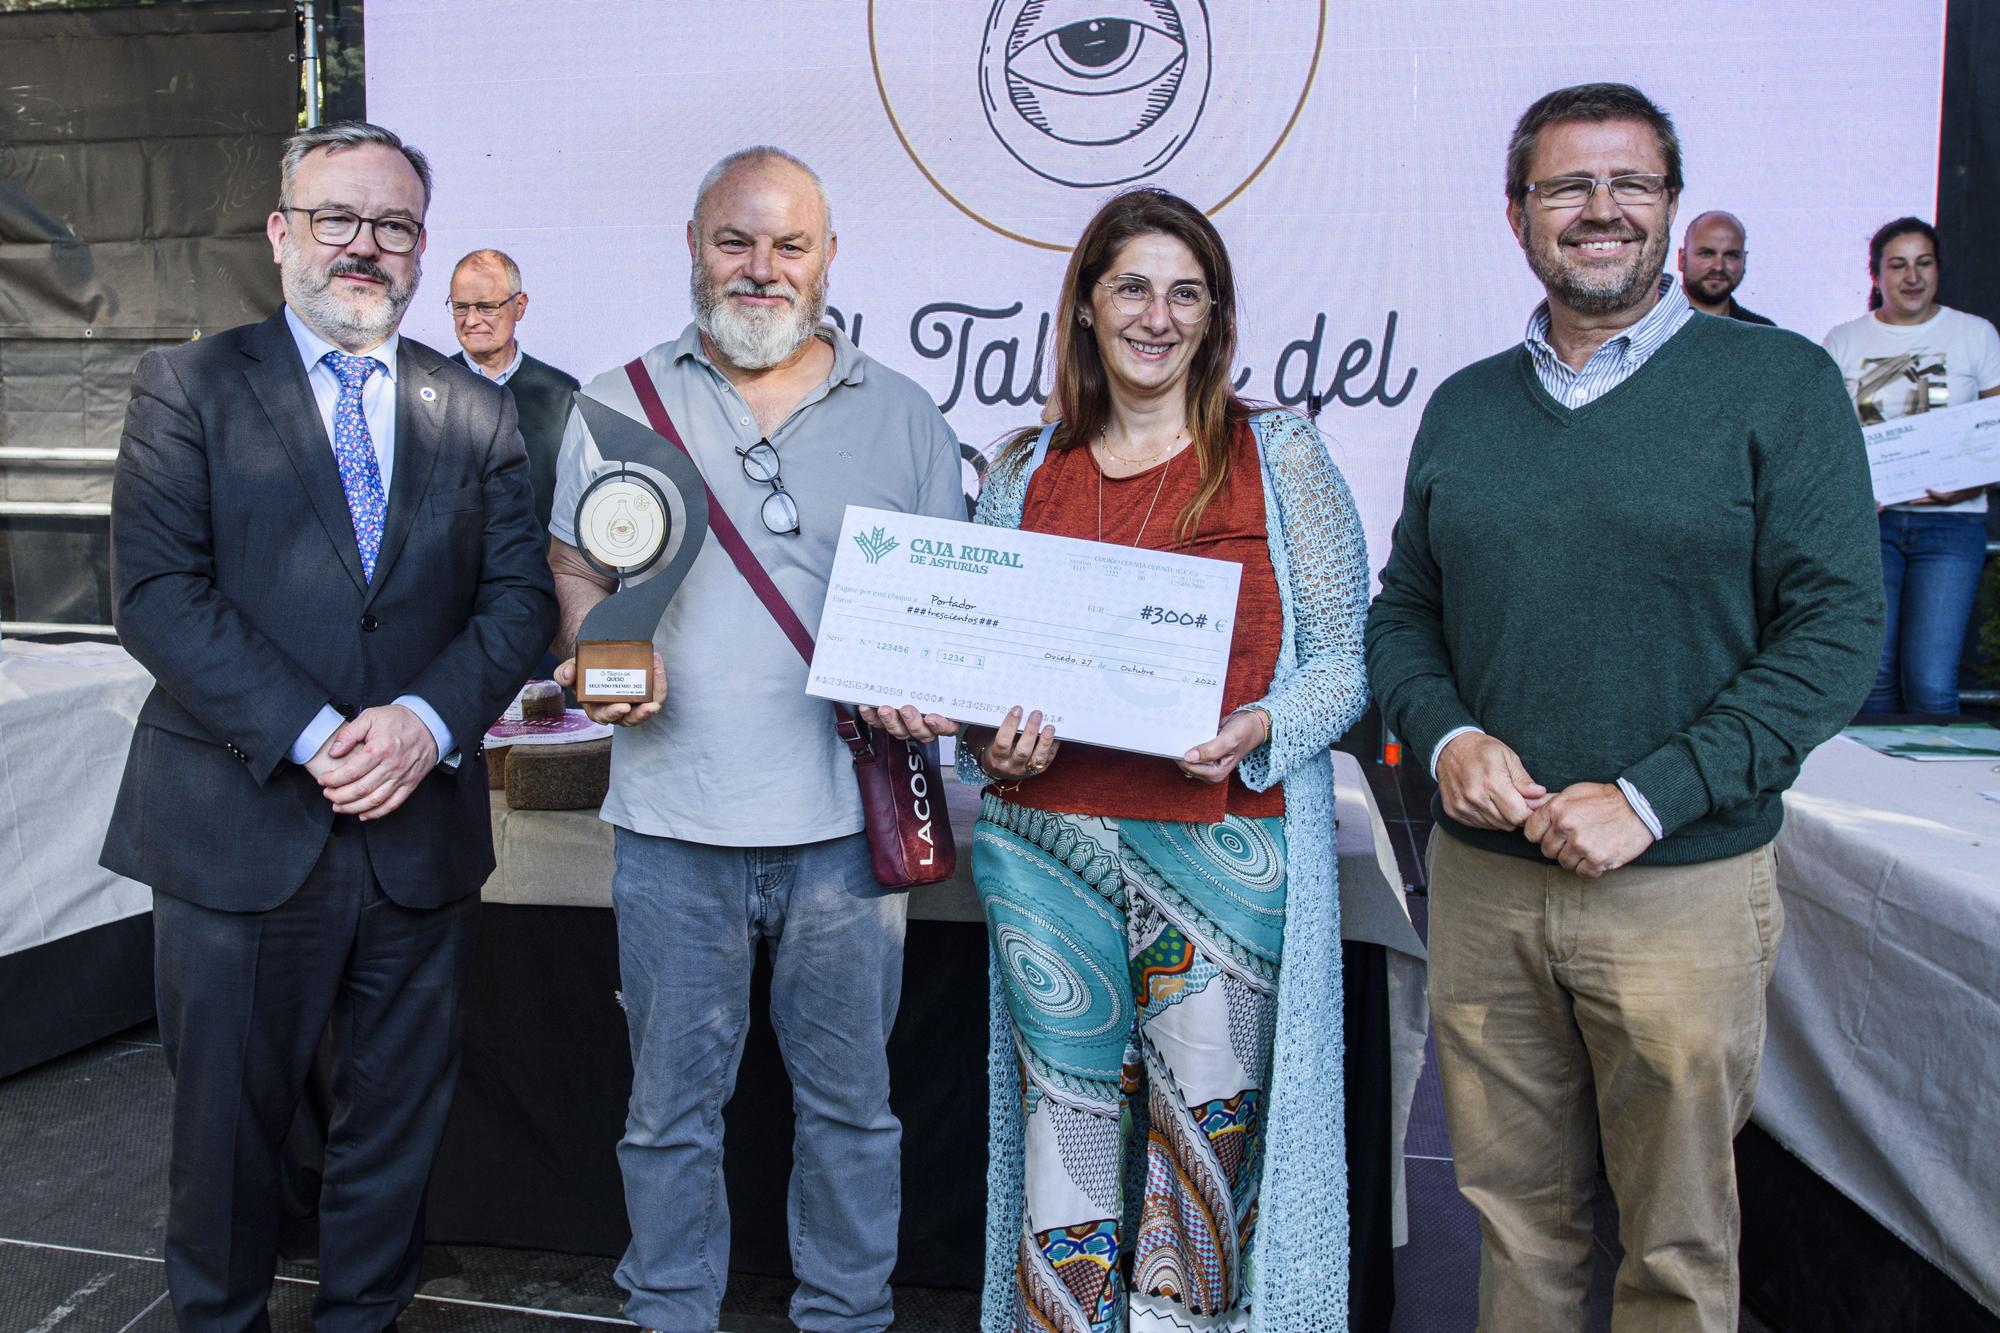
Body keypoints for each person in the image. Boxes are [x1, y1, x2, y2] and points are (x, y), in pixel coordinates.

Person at [1366, 83, 1882, 1331]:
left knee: (1674, 1243)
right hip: (1486, 887)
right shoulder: (1465, 405)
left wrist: (1651, 795)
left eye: (1629, 185)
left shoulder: (1777, 384)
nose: (1598, 212)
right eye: (1565, 187)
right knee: (1515, 1224)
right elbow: (1402, 616)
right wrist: (1445, 736)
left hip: (1682, 887)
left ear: (1668, 207)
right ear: (1515, 215)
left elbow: (1834, 633)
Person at [859, 187, 1370, 1332]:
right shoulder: (1019, 470)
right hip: (1048, 849)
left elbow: (1342, 658)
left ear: (1216, 316)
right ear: (1085, 307)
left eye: (1185, 292)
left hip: (1223, 853)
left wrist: (1261, 730)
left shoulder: (1274, 454)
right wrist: (990, 740)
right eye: (1131, 286)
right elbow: (983, 680)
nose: (1157, 314)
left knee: (1201, 1165)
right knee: (1069, 1143)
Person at [99, 121, 557, 1331]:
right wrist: (315, 733)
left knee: (394, 1136)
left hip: (417, 834)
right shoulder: (186, 386)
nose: (365, 247)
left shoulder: (476, 410)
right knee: (226, 1141)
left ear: (420, 249)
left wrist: (422, 721)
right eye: (337, 219)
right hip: (236, 827)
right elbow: (153, 593)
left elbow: (519, 601)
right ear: (281, 232)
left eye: (393, 226)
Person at [544, 146, 965, 1333]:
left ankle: (845, 1314)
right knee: (669, 1112)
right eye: (737, 240)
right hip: (672, 825)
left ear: (828, 258)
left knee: (851, 1110)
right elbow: (576, 562)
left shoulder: (902, 413)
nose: (761, 268)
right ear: (693, 245)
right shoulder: (617, 398)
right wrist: (591, 649)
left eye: (789, 244)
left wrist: (928, 682)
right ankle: (670, 1310)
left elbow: (950, 607)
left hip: (843, 832)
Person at [1823, 217, 2000, 715]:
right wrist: (1851, 492)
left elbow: (1997, 431)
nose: (1912, 276)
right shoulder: (1845, 340)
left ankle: (1934, 792)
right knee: (1870, 678)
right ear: (1875, 274)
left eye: (1923, 263)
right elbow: (1825, 442)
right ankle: (1870, 792)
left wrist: (1967, 483)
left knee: (1932, 682)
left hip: (1951, 525)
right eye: (1897, 265)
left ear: (1938, 269)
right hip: (1868, 527)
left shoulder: (1975, 335)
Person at [448, 248, 581, 538]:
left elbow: (575, 504)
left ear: (519, 306)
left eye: (485, 307)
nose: (471, 320)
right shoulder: (428, 390)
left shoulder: (561, 395)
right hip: (451, 579)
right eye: (460, 306)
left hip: (539, 574)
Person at [1677, 209, 1775, 324]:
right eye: (1707, 254)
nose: (1718, 267)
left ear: (1744, 260)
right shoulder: (1653, 322)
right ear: (1682, 259)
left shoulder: (1764, 334)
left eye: (1731, 255)